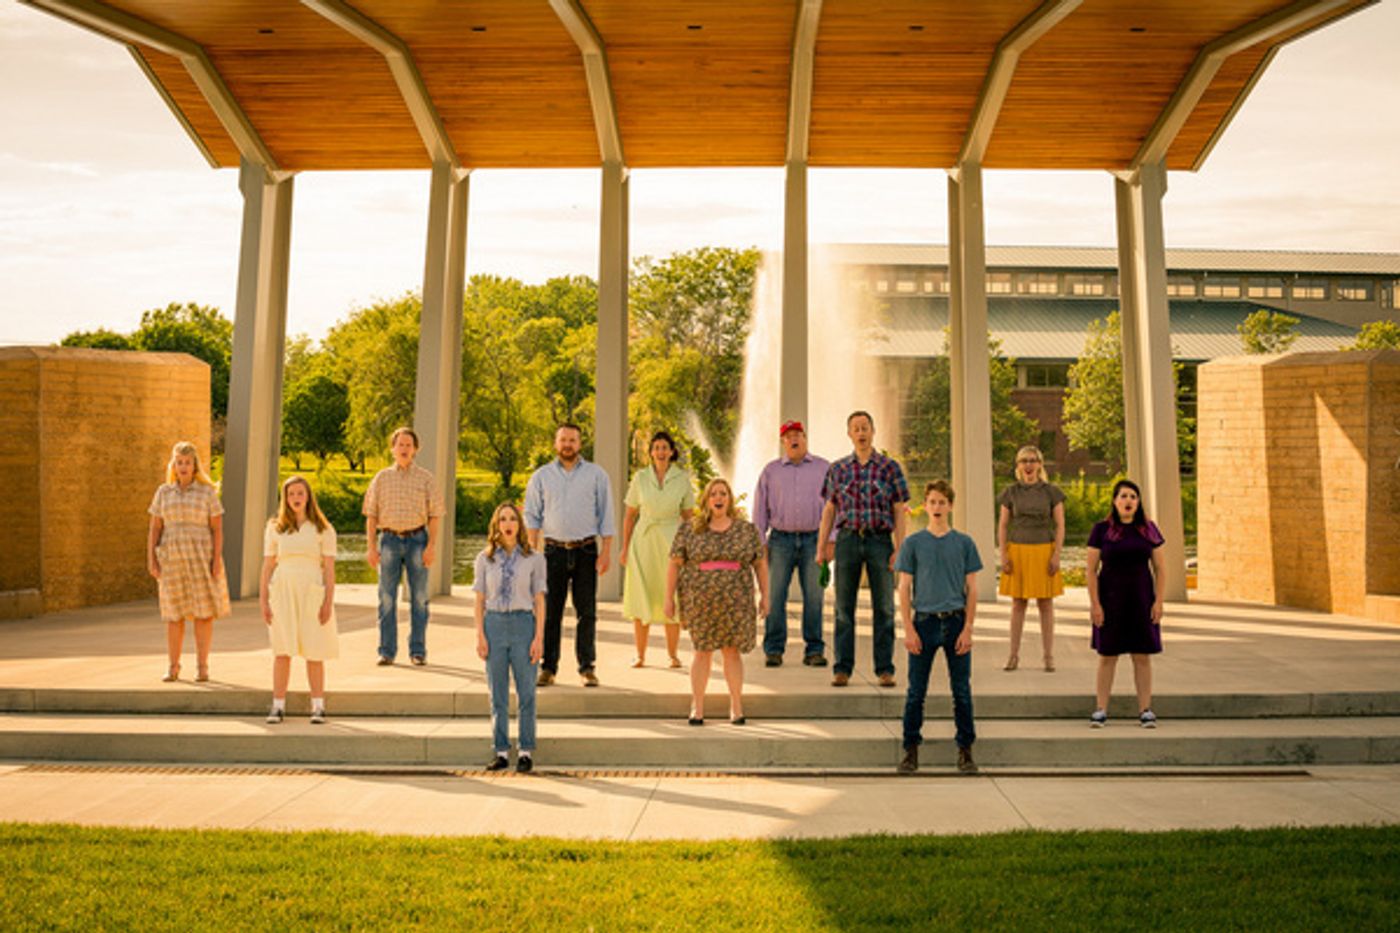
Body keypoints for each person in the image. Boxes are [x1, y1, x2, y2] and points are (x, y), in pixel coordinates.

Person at [817, 410, 910, 688]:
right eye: (856, 428)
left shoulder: (889, 468)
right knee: (843, 608)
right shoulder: (838, 469)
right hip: (847, 540)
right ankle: (842, 668)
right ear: (849, 434)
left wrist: (900, 548)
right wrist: (822, 547)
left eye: (865, 427)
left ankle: (885, 669)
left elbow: (899, 510)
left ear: (873, 431)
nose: (861, 432)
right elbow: (829, 510)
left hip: (879, 541)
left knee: (884, 607)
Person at [665, 479, 769, 725]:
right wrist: (668, 598)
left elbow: (760, 564)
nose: (718, 498)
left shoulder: (746, 529)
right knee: (702, 652)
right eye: (713, 494)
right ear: (707, 500)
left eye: (723, 493)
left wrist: (766, 595)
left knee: (732, 652)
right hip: (700, 601)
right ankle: (697, 706)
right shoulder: (690, 529)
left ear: (729, 499)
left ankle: (736, 705)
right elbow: (674, 563)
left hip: (737, 602)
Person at [896, 480, 983, 774]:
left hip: (956, 621)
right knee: (915, 692)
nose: (937, 508)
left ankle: (965, 750)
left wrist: (968, 627)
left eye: (942, 502)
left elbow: (972, 589)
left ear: (950, 506)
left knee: (961, 690)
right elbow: (904, 588)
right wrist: (908, 628)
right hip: (924, 623)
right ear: (926, 505)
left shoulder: (964, 543)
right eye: (932, 502)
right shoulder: (913, 543)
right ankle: (910, 750)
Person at [524, 423, 615, 688]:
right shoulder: (541, 477)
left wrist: (606, 551)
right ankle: (548, 668)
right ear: (556, 443)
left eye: (572, 440)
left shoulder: (597, 475)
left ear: (580, 444)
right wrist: (532, 551)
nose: (568, 444)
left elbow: (606, 514)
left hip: (587, 550)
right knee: (550, 612)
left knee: (586, 612)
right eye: (563, 440)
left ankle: (587, 667)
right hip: (552, 552)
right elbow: (532, 514)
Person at [147, 441, 230, 683]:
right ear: (174, 465)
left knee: (203, 614)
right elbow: (154, 528)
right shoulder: (163, 492)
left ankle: (202, 667)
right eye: (179, 462)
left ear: (194, 466)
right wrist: (151, 558)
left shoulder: (207, 492)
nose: (183, 466)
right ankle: (173, 667)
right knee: (174, 615)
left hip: (201, 557)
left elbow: (217, 529)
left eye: (187, 462)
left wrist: (216, 560)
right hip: (171, 558)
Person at [1086, 479, 1167, 729]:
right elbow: (1090, 570)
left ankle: (1145, 710)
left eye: (1133, 496)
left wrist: (1159, 602)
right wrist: (1095, 604)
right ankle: (1101, 709)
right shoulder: (1101, 530)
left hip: (1141, 600)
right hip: (1110, 600)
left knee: (1141, 656)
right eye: (1123, 496)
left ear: (1138, 501)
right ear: (1114, 500)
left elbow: (1161, 568)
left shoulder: (1149, 529)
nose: (1128, 501)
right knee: (1107, 656)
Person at [258, 476, 339, 724]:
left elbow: (329, 568)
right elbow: (268, 565)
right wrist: (264, 600)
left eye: (300, 493)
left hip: (312, 591)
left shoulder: (323, 528)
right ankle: (278, 705)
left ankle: (318, 706)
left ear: (308, 496)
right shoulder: (274, 527)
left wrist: (327, 601)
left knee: (315, 649)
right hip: (282, 591)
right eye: (291, 493)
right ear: (285, 497)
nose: (296, 498)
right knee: (282, 650)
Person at [474, 502, 547, 773]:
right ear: (496, 525)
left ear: (520, 525)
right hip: (494, 625)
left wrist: (538, 637)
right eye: (503, 519)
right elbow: (479, 599)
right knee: (498, 694)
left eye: (513, 519)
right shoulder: (485, 559)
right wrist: (480, 634)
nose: (508, 524)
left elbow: (539, 600)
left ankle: (525, 750)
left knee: (526, 691)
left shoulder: (535, 559)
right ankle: (501, 751)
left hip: (522, 624)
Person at [363, 426, 445, 667]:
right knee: (386, 598)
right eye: (400, 444)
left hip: (417, 540)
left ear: (416, 449)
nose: (404, 449)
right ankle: (386, 651)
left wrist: (431, 546)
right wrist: (370, 547)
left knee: (419, 598)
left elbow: (436, 515)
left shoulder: (426, 479)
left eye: (409, 445)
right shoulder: (381, 478)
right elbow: (370, 515)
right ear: (392, 449)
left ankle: (417, 650)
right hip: (388, 540)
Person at [752, 420, 830, 668]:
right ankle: (774, 649)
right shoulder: (770, 471)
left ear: (805, 438)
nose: (793, 439)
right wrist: (760, 544)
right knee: (774, 595)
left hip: (814, 540)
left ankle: (814, 650)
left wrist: (831, 541)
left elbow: (835, 506)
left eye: (797, 434)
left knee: (814, 597)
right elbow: (759, 511)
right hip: (780, 541)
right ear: (783, 442)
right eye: (788, 436)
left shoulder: (823, 468)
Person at [620, 430, 695, 668]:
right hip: (643, 542)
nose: (661, 452)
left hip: (671, 542)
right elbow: (630, 515)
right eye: (656, 448)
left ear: (672, 452)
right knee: (641, 596)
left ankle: (673, 654)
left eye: (665, 448)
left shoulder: (682, 479)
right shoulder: (640, 478)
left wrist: (690, 550)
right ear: (650, 453)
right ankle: (640, 654)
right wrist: (624, 548)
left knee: (670, 595)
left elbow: (689, 517)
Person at [997, 445, 1066, 672]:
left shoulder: (1051, 492)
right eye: (1024, 461)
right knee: (1018, 604)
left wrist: (1056, 554)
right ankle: (1013, 656)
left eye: (1032, 460)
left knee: (1046, 604)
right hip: (1018, 550)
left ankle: (1048, 657)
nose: (1028, 465)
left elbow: (1060, 526)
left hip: (1044, 549)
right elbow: (1003, 525)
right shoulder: (1011, 492)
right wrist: (1003, 554)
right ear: (1018, 466)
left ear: (1039, 464)